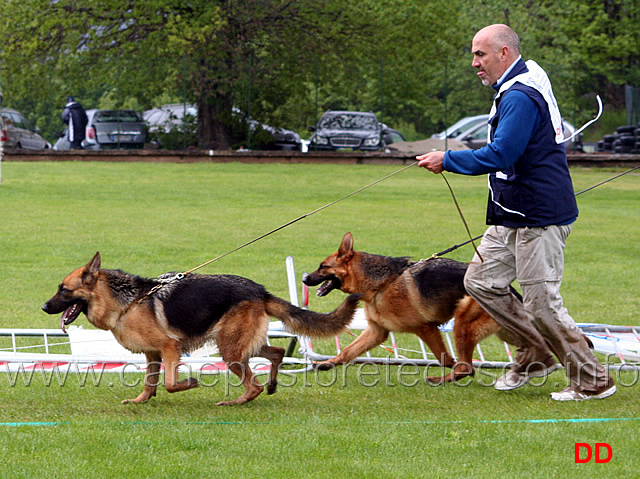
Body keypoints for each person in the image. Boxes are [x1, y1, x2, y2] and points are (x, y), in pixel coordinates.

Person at [416, 24, 615, 401]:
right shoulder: (515, 86)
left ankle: (593, 379)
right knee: (480, 282)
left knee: (542, 303)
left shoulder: (521, 96)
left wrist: (449, 159)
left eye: (481, 54)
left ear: (504, 54)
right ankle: (536, 352)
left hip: (539, 217)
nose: (474, 63)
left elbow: (502, 154)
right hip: (511, 212)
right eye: (474, 54)